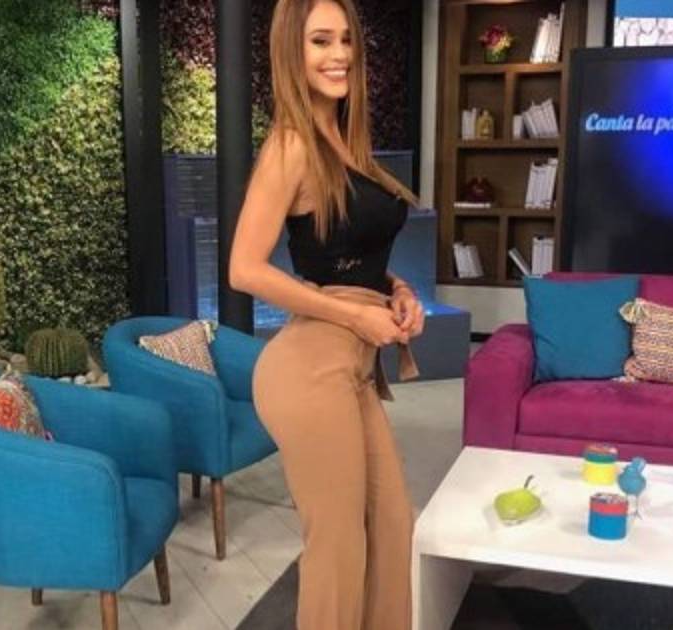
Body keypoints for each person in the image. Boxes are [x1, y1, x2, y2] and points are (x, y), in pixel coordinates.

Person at [228, 1, 424, 628]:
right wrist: (355, 319)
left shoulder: (346, 142)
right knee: (337, 548)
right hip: (308, 371)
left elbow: (344, 258)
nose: (339, 54)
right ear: (293, 51)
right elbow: (244, 269)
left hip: (352, 366)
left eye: (345, 39)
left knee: (392, 527)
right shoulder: (290, 144)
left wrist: (397, 290)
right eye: (320, 41)